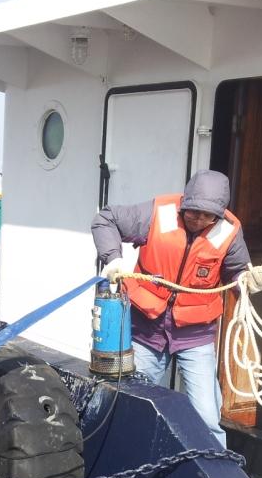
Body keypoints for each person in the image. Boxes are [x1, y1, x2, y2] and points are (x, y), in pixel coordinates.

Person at [92, 169, 251, 447]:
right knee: (133, 402)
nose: (198, 220)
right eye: (193, 212)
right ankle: (127, 456)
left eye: (207, 216)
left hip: (195, 334)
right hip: (147, 329)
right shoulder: (158, 213)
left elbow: (236, 272)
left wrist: (247, 281)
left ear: (219, 215)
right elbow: (106, 219)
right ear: (184, 203)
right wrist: (113, 258)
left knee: (207, 416)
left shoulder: (229, 231)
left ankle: (214, 463)